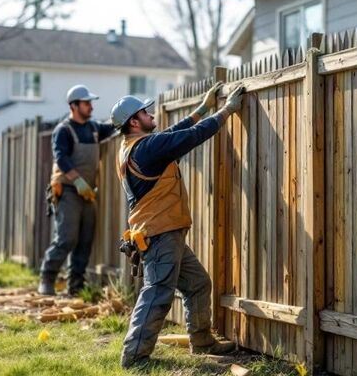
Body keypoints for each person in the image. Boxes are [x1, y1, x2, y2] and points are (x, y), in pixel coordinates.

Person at [110, 81, 245, 368]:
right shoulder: (146, 148)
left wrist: (203, 109)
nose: (150, 114)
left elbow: (172, 134)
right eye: (145, 113)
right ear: (134, 122)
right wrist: (225, 111)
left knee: (197, 284)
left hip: (163, 232)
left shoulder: (133, 147)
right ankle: (134, 357)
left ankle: (202, 341)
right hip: (160, 233)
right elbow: (190, 136)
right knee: (158, 293)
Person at [38, 85, 117, 296]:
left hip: (87, 192)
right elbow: (61, 158)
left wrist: (128, 117)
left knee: (85, 239)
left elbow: (113, 128)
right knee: (67, 238)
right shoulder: (63, 130)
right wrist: (78, 182)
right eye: (86, 103)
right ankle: (47, 277)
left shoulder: (94, 128)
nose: (91, 106)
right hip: (68, 190)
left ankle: (75, 285)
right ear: (74, 106)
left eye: (91, 103)